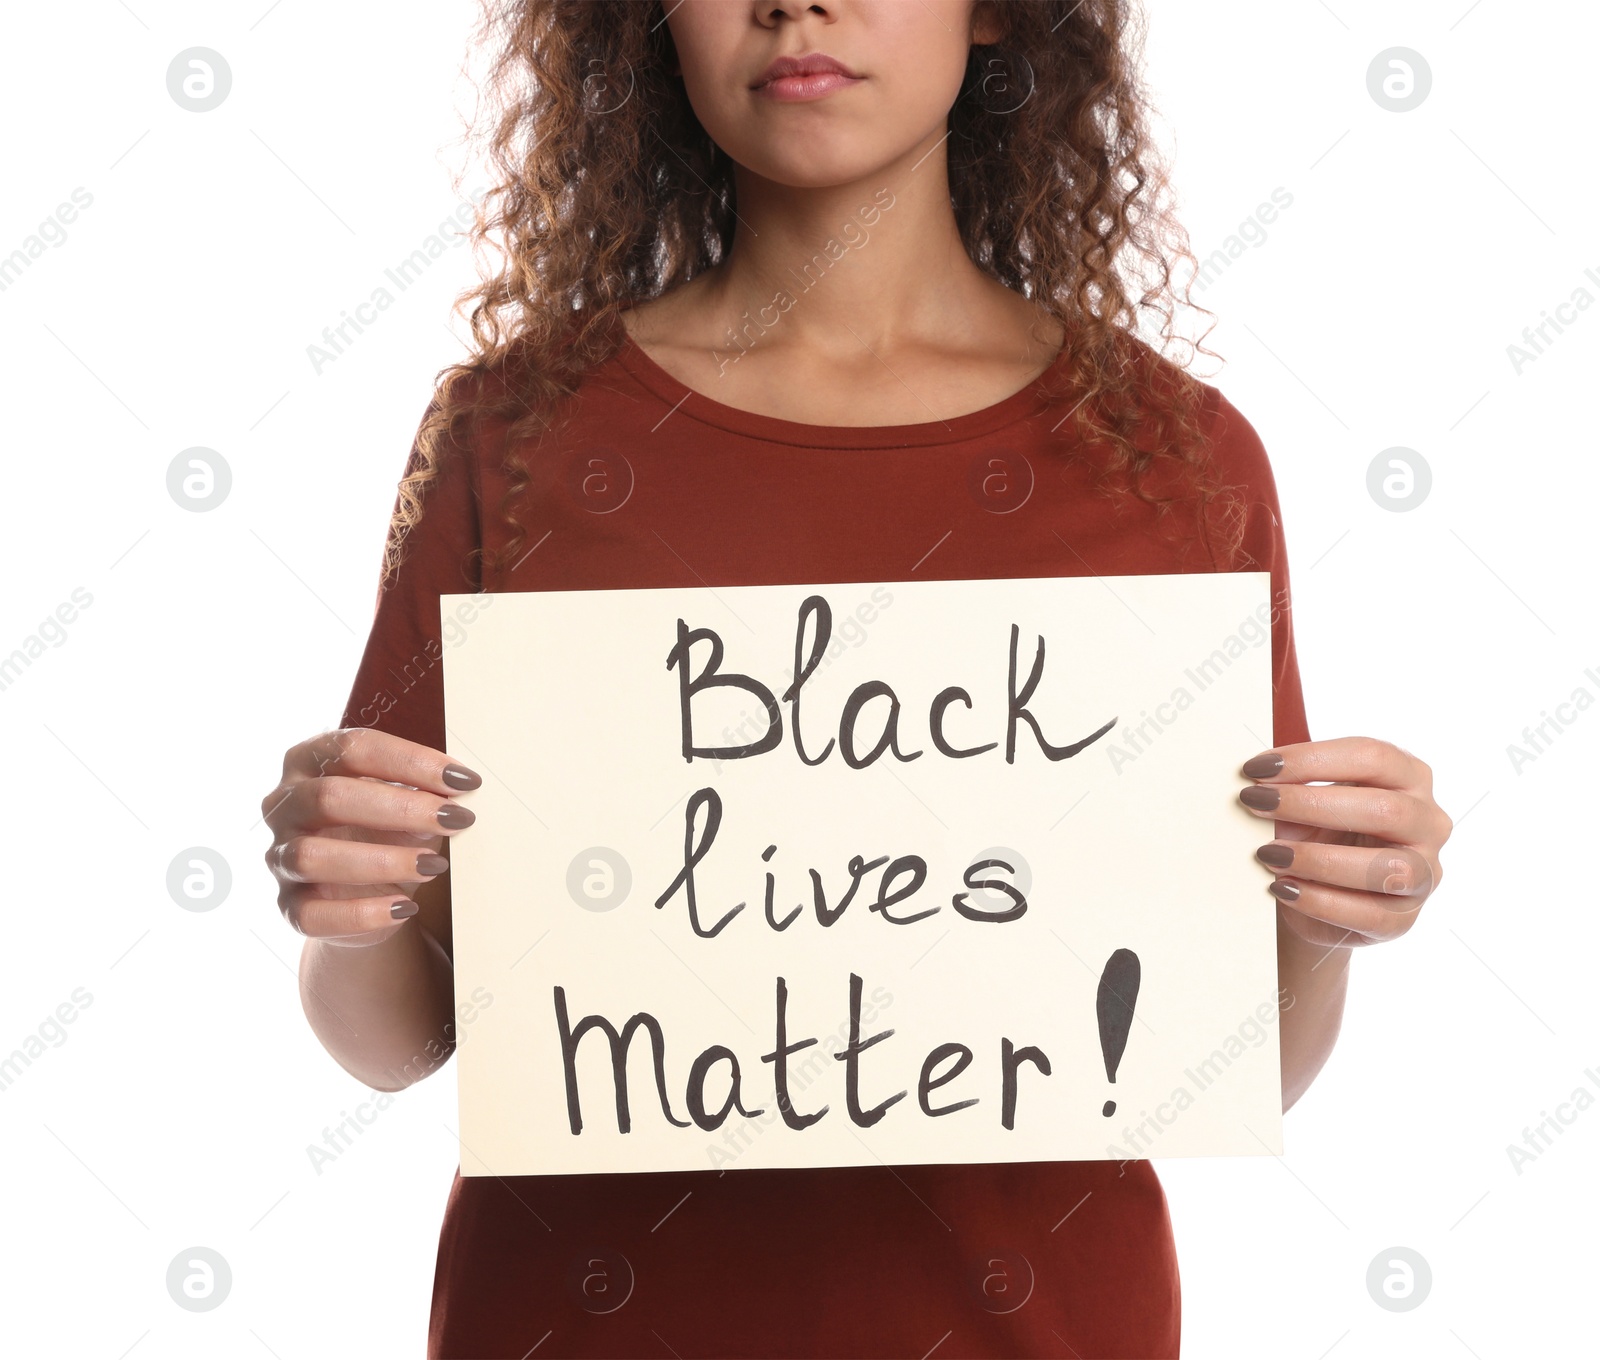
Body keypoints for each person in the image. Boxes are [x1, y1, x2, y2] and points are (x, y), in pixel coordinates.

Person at [260, 2, 1453, 1355]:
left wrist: (1329, 916)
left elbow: (1220, 1060)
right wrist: (348, 909)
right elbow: (400, 1046)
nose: (794, 3)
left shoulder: (1172, 456)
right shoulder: (515, 438)